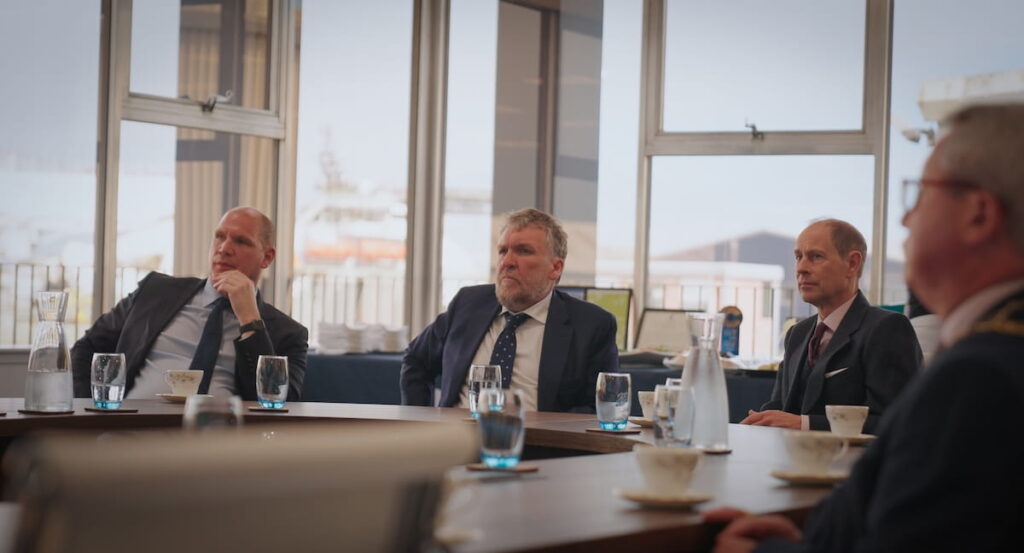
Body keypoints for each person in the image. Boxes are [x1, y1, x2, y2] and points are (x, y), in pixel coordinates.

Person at [710, 103, 1024, 553]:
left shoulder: (980, 375)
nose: (905, 219)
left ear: (978, 214)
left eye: (920, 194)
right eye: (797, 257)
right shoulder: (989, 353)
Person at [71, 207, 307, 401]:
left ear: (266, 257)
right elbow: (86, 349)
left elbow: (281, 402)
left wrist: (249, 320)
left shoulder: (288, 334)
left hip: (219, 444)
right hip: (132, 430)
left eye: (241, 241)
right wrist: (90, 413)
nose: (224, 249)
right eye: (219, 236)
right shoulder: (155, 292)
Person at [400, 208, 619, 413]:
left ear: (555, 268)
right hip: (458, 442)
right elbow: (416, 360)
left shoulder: (591, 325)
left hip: (540, 446)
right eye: (503, 251)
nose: (507, 262)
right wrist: (422, 421)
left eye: (523, 251)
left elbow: (601, 405)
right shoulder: (468, 304)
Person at [742, 219, 921, 433]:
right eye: (798, 257)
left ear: (852, 263)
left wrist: (804, 424)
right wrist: (760, 420)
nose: (801, 268)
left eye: (816, 257)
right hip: (791, 463)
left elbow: (895, 422)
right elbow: (779, 408)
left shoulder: (887, 329)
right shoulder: (797, 334)